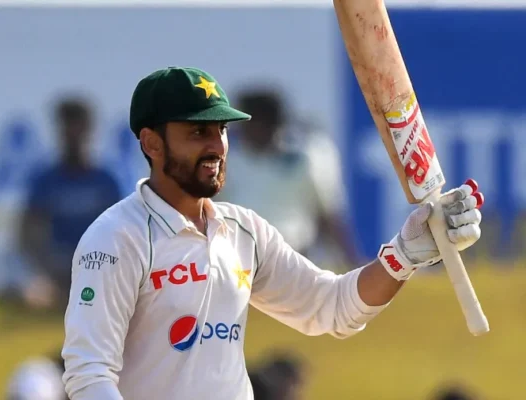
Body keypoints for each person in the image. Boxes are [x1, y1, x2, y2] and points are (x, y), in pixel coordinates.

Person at [61, 67, 485, 400]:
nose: (216, 146)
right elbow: (88, 374)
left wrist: (405, 254)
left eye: (221, 131)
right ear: (152, 144)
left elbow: (331, 308)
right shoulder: (116, 239)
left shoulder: (244, 231)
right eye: (197, 132)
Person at [220, 88, 358, 269]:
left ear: (276, 124)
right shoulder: (224, 160)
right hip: (236, 260)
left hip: (293, 260)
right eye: (249, 125)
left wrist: (351, 262)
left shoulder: (306, 157)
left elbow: (328, 214)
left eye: (262, 123)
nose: (255, 131)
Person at [17, 97, 122, 310]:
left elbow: (124, 231)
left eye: (79, 127)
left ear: (89, 131)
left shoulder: (106, 180)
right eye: (68, 128)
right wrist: (47, 269)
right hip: (57, 266)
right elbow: (28, 233)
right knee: (31, 288)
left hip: (98, 265)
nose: (73, 135)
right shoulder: (46, 180)